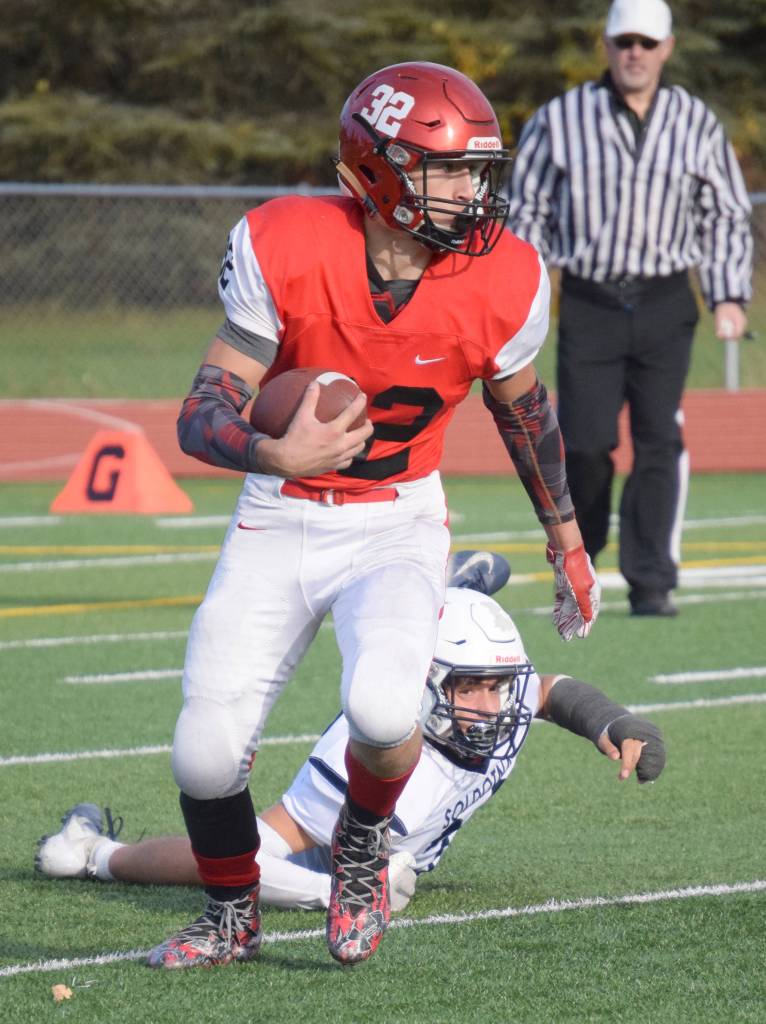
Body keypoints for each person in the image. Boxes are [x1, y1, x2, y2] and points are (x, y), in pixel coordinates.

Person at [158, 61, 601, 970]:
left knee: (383, 704)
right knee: (203, 753)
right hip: (281, 511)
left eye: (477, 169)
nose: (472, 191)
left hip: (397, 518)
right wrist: (270, 451)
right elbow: (201, 411)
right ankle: (232, 912)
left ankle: (361, 848)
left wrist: (568, 540)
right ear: (380, 173)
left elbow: (524, 413)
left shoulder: (503, 277)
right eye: (446, 170)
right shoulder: (285, 243)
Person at [36, 556, 664, 924]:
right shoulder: (360, 756)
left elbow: (547, 690)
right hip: (334, 836)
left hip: (397, 822)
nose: (489, 707)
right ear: (429, 687)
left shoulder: (496, 699)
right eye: (469, 689)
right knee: (233, 852)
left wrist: (615, 723)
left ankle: (451, 591)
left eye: (495, 687)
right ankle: (93, 853)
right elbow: (253, 857)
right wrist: (338, 891)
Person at [508, 0, 753, 617]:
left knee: (658, 440)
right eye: (624, 42)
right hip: (590, 299)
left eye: (647, 42)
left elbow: (724, 210)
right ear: (607, 46)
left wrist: (728, 293)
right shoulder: (560, 119)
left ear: (667, 48)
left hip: (666, 299)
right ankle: (581, 567)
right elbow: (527, 210)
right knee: (585, 444)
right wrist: (525, 293)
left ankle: (651, 580)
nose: (635, 53)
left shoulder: (695, 121)